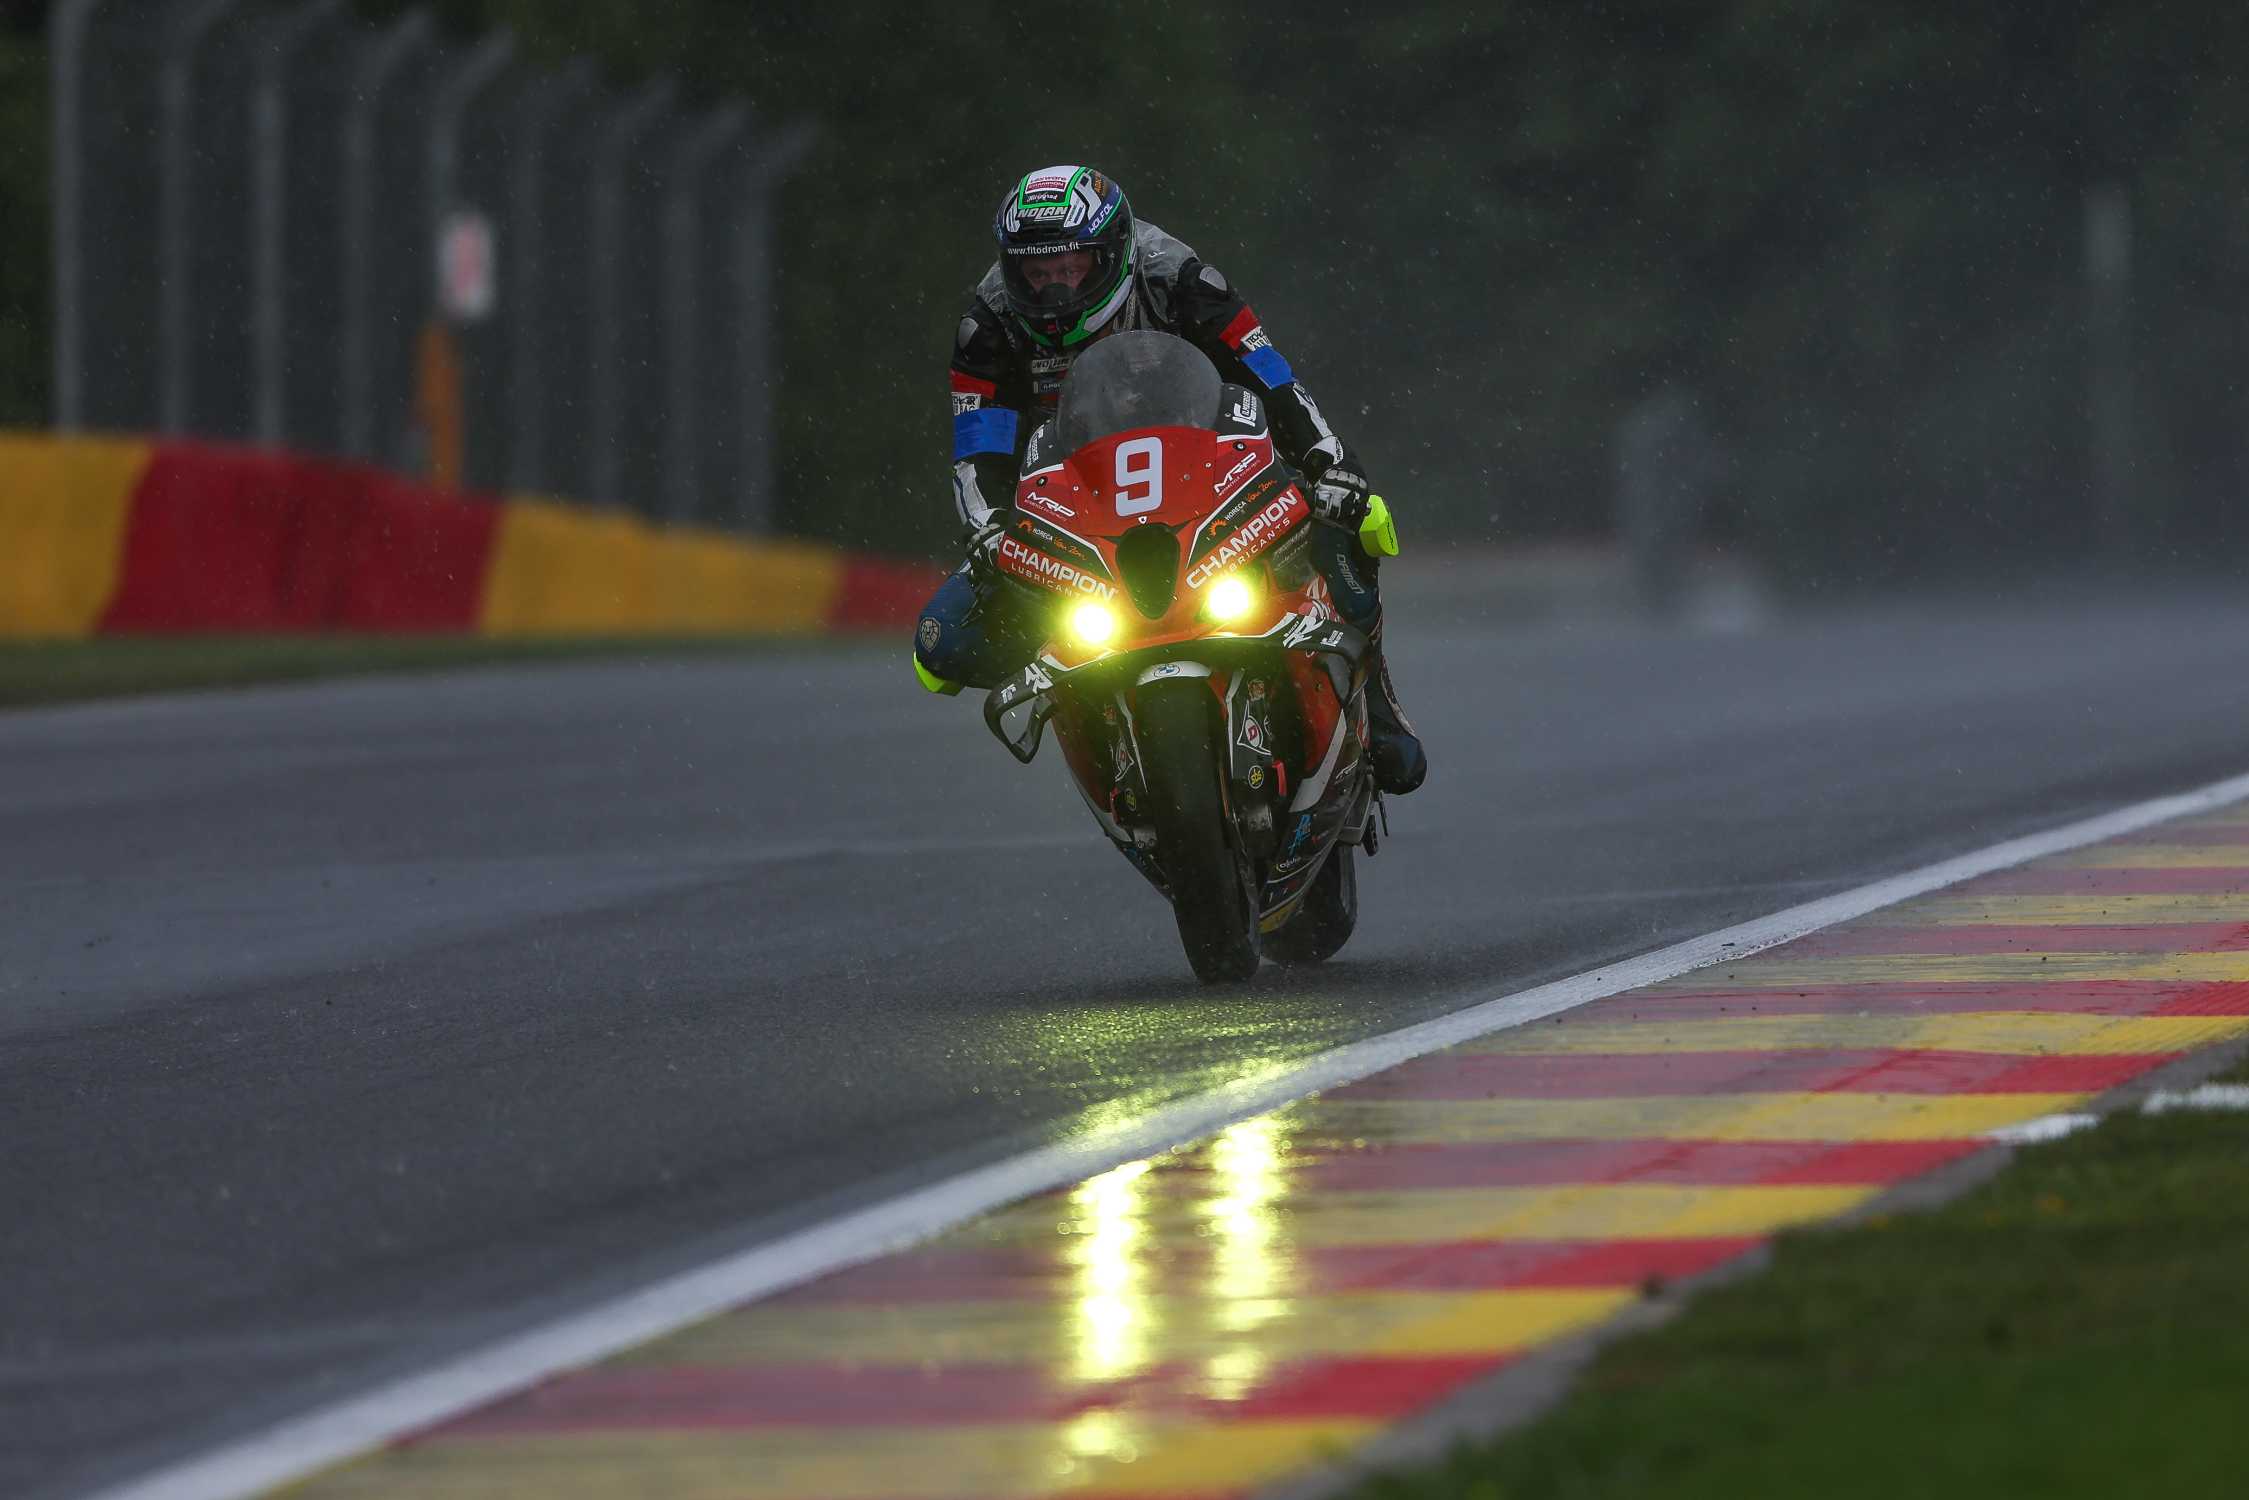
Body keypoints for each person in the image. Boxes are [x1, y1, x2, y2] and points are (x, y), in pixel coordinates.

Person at [912, 164, 1426, 795]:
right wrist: (990, 530)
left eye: (1072, 268)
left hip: (1209, 473)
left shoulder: (1181, 280)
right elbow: (978, 449)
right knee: (941, 644)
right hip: (1078, 501)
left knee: (1357, 522)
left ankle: (1377, 705)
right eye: (1036, 274)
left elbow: (1272, 377)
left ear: (1113, 253)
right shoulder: (987, 325)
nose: (1054, 290)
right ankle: (1094, 726)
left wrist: (1330, 462)